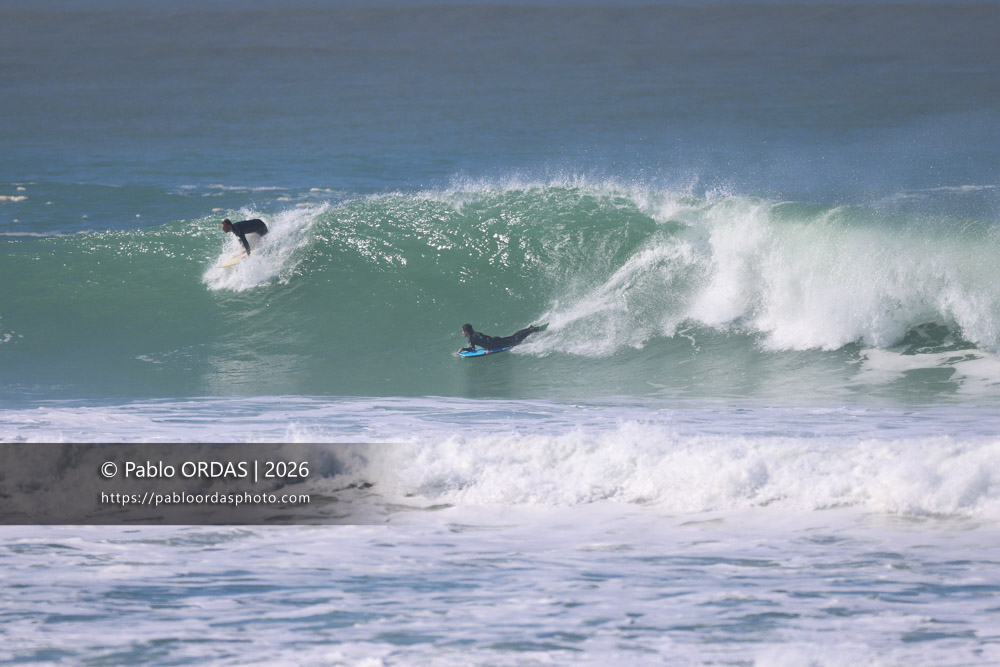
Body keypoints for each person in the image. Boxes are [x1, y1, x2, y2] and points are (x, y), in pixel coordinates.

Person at [459, 323, 545, 353]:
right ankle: (530, 329)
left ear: (466, 331)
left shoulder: (475, 335)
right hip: (496, 344)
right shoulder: (471, 338)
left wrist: (488, 349)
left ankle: (532, 330)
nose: (462, 332)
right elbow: (472, 349)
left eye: (462, 331)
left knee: (516, 340)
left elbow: (488, 339)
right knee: (514, 337)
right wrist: (463, 349)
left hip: (497, 342)